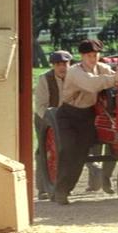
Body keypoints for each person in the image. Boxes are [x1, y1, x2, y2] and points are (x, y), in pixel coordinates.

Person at [53, 39, 118, 205]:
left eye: (96, 55)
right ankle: (60, 190)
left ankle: (64, 190)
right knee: (69, 149)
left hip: (87, 116)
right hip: (68, 116)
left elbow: (117, 77)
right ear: (82, 56)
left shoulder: (102, 68)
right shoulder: (74, 71)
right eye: (90, 55)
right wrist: (114, 78)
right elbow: (91, 84)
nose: (93, 58)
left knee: (80, 154)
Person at [34, 50, 72, 200]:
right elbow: (40, 105)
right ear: (53, 66)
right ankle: (43, 188)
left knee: (72, 146)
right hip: (46, 117)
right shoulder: (45, 79)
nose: (62, 67)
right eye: (58, 64)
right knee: (44, 150)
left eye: (65, 64)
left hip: (68, 117)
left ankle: (92, 178)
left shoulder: (75, 77)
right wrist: (51, 123)